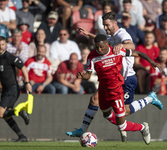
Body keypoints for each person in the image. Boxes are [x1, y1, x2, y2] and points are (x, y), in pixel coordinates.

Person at [66, 12, 163, 142]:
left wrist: (122, 45)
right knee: (95, 100)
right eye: (104, 26)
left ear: (115, 23)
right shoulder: (108, 40)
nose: (105, 28)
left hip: (126, 78)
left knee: (124, 113)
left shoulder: (122, 35)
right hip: (111, 78)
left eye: (107, 25)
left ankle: (149, 100)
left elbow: (132, 46)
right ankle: (83, 129)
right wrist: (90, 35)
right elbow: (104, 44)